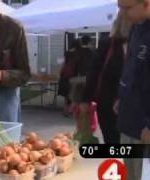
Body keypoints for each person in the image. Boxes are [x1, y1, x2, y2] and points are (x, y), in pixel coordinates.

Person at [81, 12, 132, 144]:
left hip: (134, 105)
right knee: (113, 143)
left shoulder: (142, 43)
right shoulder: (108, 44)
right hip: (108, 105)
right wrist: (85, 100)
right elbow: (94, 73)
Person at [116, 0, 150, 179]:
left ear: (146, 4)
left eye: (126, 8)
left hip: (144, 128)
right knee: (130, 174)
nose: (121, 12)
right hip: (129, 120)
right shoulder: (136, 28)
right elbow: (131, 68)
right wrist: (122, 97)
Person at [58, 40, 81, 117]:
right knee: (74, 94)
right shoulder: (78, 53)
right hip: (73, 75)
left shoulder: (67, 52)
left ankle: (65, 111)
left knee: (66, 94)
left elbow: (64, 63)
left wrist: (61, 72)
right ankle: (73, 111)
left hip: (65, 75)